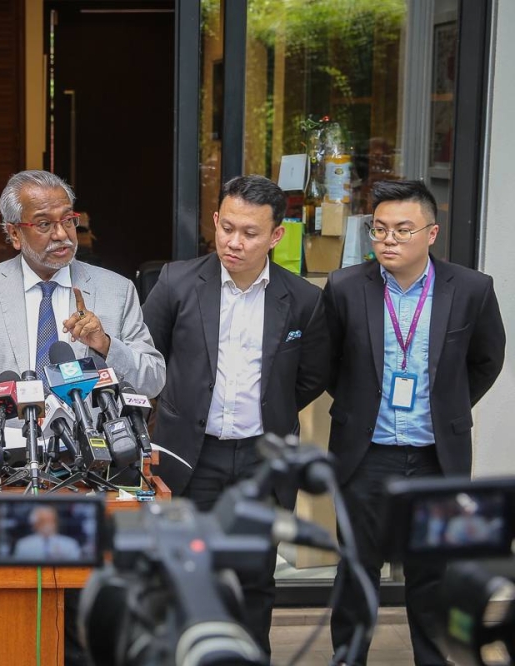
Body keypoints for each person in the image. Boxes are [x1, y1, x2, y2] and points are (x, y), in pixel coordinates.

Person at [0, 169, 165, 666]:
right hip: (6, 473)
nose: (62, 234)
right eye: (43, 224)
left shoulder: (114, 291)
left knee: (87, 626)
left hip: (95, 471)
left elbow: (153, 378)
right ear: (14, 232)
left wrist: (105, 344)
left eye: (68, 220)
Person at [141, 174, 330, 656]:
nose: (234, 242)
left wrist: (269, 411)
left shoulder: (303, 300)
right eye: (227, 228)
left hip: (259, 463)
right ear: (215, 222)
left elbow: (310, 377)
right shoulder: (177, 282)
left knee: (254, 582)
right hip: (189, 457)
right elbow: (146, 361)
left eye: (249, 232)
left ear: (276, 236)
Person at [324, 179, 505, 665]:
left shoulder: (470, 289)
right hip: (366, 459)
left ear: (431, 233)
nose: (388, 240)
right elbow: (326, 363)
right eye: (379, 229)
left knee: (433, 577)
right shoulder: (344, 287)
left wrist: (447, 407)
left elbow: (488, 360)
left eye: (403, 230)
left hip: (435, 460)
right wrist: (361, 406)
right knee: (358, 574)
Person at [11, 506, 82, 561]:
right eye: (43, 521)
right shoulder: (23, 545)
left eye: (50, 520)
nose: (47, 524)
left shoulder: (70, 544)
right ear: (34, 524)